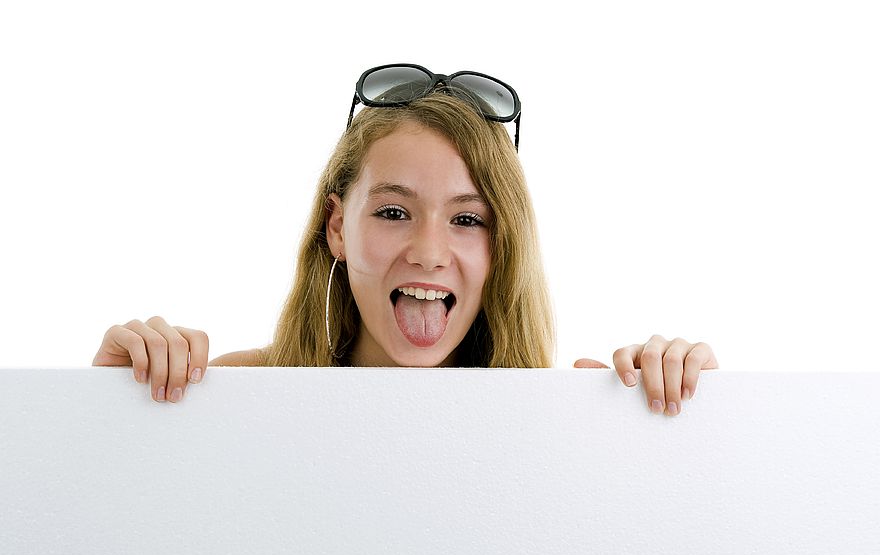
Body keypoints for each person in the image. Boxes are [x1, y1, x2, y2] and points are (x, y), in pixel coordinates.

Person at [92, 63, 718, 415]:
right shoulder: (231, 396)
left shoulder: (569, 416)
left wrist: (696, 414)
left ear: (502, 249)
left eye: (468, 220)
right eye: (393, 213)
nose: (427, 250)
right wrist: (104, 411)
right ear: (337, 227)